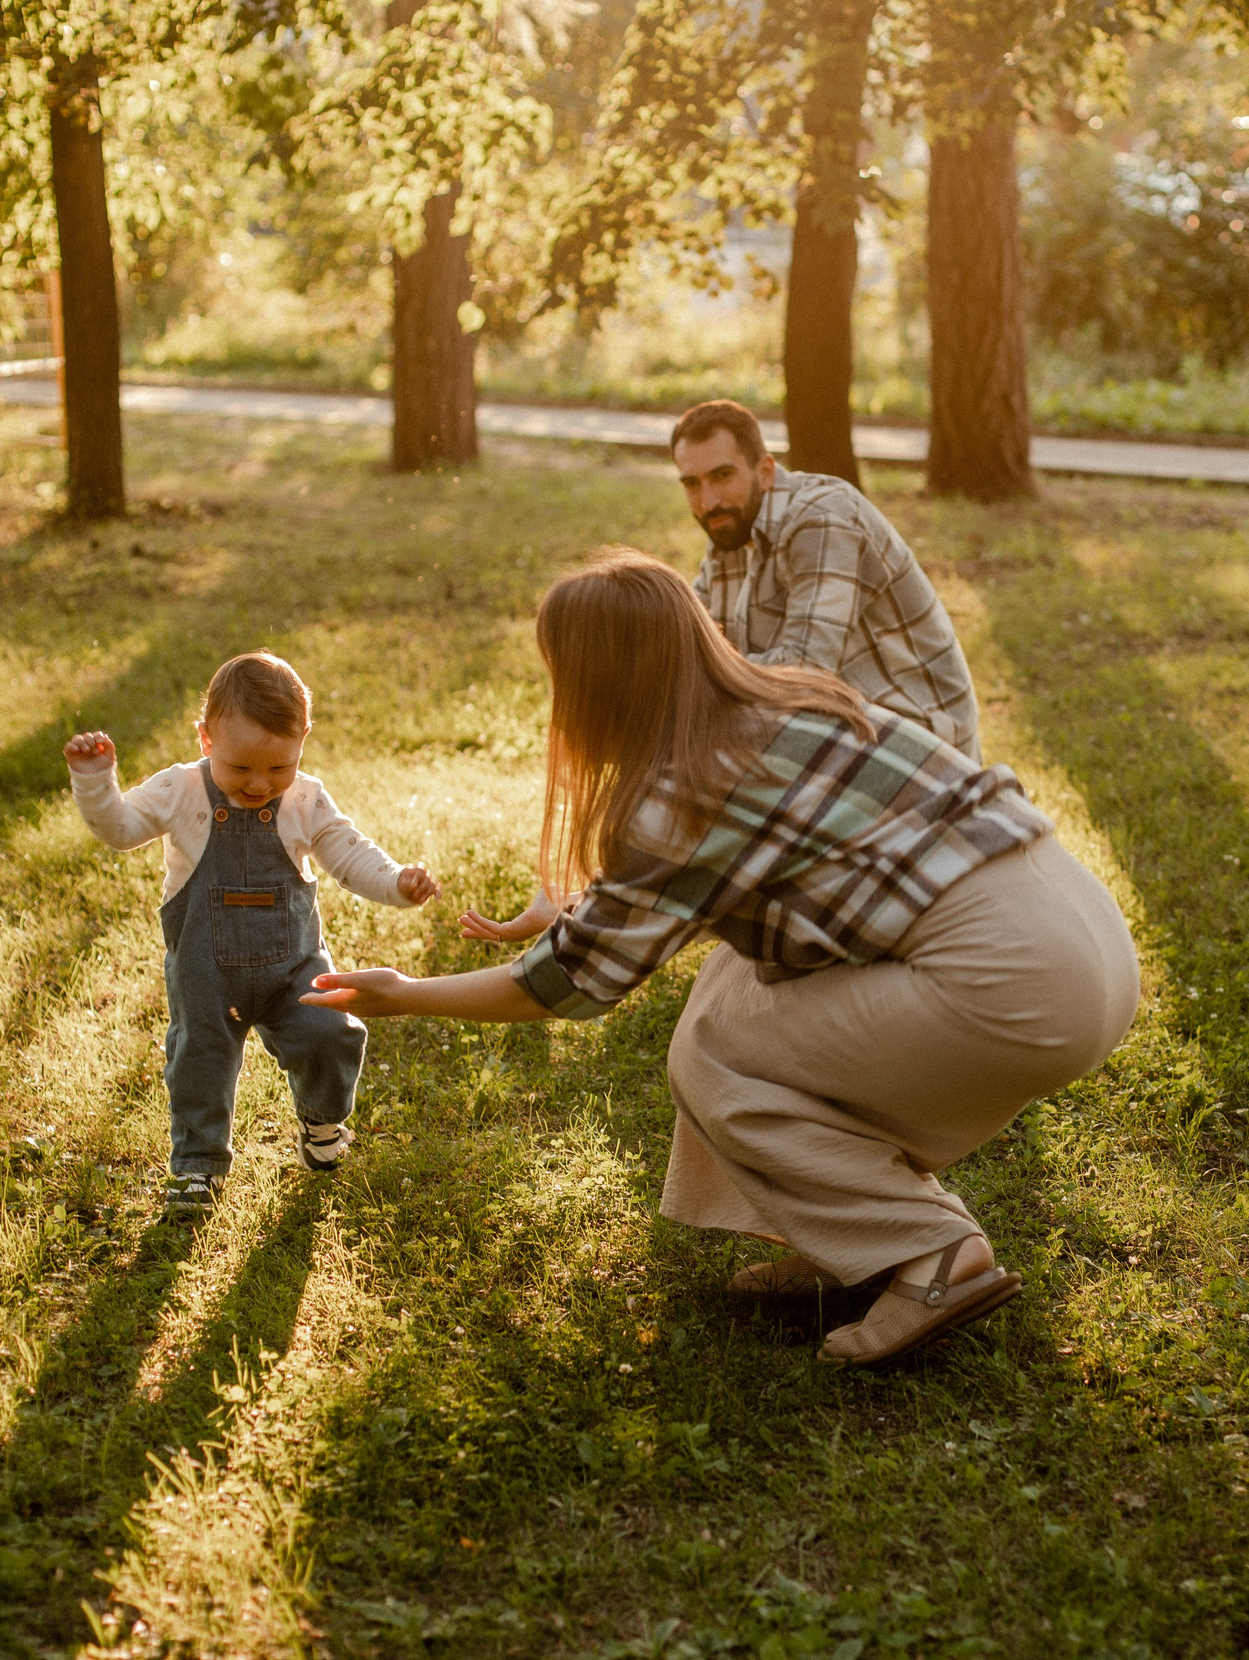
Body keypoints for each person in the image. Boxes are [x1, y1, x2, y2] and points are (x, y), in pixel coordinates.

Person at [302, 551, 1140, 1368]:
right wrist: (575, 903)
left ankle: (934, 1254)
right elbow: (710, 887)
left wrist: (403, 992)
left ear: (597, 684)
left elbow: (560, 986)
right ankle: (851, 1240)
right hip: (1081, 932)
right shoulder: (789, 697)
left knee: (716, 1055)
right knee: (729, 989)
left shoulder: (688, 787)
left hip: (1013, 981)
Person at [64, 652, 441, 1210]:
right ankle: (197, 1164)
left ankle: (321, 1123)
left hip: (295, 967)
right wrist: (95, 782)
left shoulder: (306, 798)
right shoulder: (180, 791)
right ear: (206, 739)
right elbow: (119, 829)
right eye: (240, 768)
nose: (260, 784)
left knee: (331, 1033)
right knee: (199, 1061)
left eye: (278, 768)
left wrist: (397, 882)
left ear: (302, 741)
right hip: (205, 972)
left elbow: (350, 856)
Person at [673, 398, 983, 762]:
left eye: (723, 476)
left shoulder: (822, 518)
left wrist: (700, 674)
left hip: (922, 740)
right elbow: (688, 643)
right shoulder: (730, 530)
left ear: (766, 471)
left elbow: (806, 673)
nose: (708, 501)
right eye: (692, 484)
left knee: (700, 759)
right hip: (844, 724)